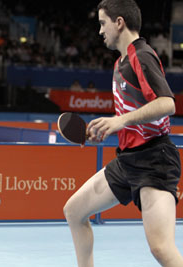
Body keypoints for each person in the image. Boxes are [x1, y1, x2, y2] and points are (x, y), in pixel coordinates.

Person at [63, 1, 183, 267]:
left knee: (161, 249)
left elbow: (167, 104)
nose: (99, 31)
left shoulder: (141, 55)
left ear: (119, 22)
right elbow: (133, 119)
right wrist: (109, 129)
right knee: (74, 211)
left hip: (154, 161)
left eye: (102, 23)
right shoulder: (120, 63)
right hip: (128, 161)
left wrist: (120, 121)